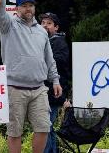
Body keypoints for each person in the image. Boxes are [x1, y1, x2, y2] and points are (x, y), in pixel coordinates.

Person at [0, 0, 63, 153]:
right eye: (24, 6)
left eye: (30, 5)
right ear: (17, 9)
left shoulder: (42, 31)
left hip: (39, 88)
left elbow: (49, 58)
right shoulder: (8, 26)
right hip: (15, 88)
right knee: (15, 131)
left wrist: (55, 80)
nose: (28, 9)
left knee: (44, 128)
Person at [39, 12, 70, 153]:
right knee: (47, 127)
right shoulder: (41, 40)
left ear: (56, 27)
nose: (45, 26)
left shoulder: (59, 42)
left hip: (53, 92)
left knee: (45, 126)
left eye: (49, 23)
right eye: (43, 23)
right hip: (43, 91)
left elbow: (58, 62)